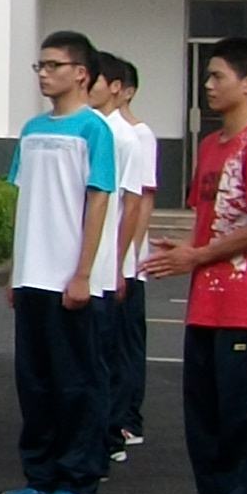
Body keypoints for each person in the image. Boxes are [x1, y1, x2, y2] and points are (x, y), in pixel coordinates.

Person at [144, 38, 247, 494]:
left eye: (218, 76)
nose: (208, 86)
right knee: (206, 423)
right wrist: (184, 251)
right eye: (206, 77)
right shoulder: (210, 147)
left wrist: (195, 256)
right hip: (206, 306)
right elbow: (213, 221)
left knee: (244, 425)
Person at [2, 30, 117, 494]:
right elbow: (23, 202)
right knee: (35, 381)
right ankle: (40, 474)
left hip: (68, 278)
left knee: (76, 382)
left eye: (53, 65)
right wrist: (14, 270)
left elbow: (98, 200)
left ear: (81, 73)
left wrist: (83, 273)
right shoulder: (31, 130)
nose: (44, 74)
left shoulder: (95, 130)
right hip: (31, 278)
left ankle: (78, 480)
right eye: (40, 66)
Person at [93, 53, 158, 461]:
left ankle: (125, 421)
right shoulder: (99, 129)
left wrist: (130, 257)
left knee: (124, 347)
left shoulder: (137, 135)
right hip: (108, 259)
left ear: (117, 87)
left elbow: (141, 199)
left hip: (125, 261)